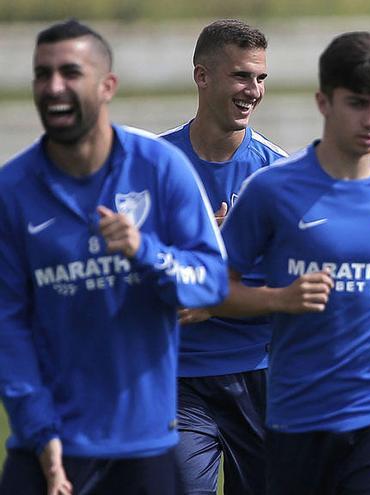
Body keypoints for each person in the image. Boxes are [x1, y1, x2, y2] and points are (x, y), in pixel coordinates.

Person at [0, 19, 228, 495]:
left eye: (69, 72)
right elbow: (9, 326)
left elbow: (210, 281)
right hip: (48, 447)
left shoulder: (160, 167)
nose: (54, 86)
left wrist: (144, 250)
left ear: (107, 86)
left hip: (142, 448)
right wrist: (40, 430)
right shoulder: (12, 190)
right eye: (43, 75)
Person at [209, 31, 370, 494]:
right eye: (357, 103)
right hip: (299, 412)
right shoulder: (273, 189)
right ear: (323, 102)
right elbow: (216, 288)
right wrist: (280, 299)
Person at [160, 19, 286, 495]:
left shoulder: (278, 175)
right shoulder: (152, 165)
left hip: (262, 375)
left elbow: (300, 287)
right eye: (240, 76)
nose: (252, 90)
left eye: (260, 78)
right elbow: (123, 268)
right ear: (202, 76)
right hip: (177, 376)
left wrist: (225, 269)